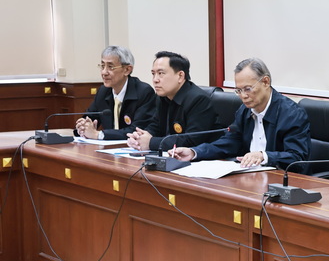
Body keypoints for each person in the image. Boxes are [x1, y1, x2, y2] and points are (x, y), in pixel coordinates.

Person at [171, 58, 311, 169]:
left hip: (281, 181)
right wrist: (194, 152)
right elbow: (229, 142)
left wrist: (263, 156)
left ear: (265, 82)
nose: (243, 96)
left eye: (248, 89)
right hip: (249, 176)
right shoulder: (244, 111)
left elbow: (297, 157)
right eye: (238, 90)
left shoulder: (291, 114)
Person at [127, 51, 221, 152]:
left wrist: (151, 142)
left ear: (180, 76)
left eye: (161, 73)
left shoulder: (199, 100)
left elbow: (191, 141)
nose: (155, 80)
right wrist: (140, 137)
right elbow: (155, 126)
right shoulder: (162, 97)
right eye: (153, 74)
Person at [75, 46, 156, 140]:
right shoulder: (103, 92)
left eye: (110, 67)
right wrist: (83, 127)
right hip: (108, 147)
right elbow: (90, 118)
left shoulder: (144, 92)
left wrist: (99, 135)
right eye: (102, 66)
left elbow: (137, 130)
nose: (104, 72)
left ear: (127, 70)